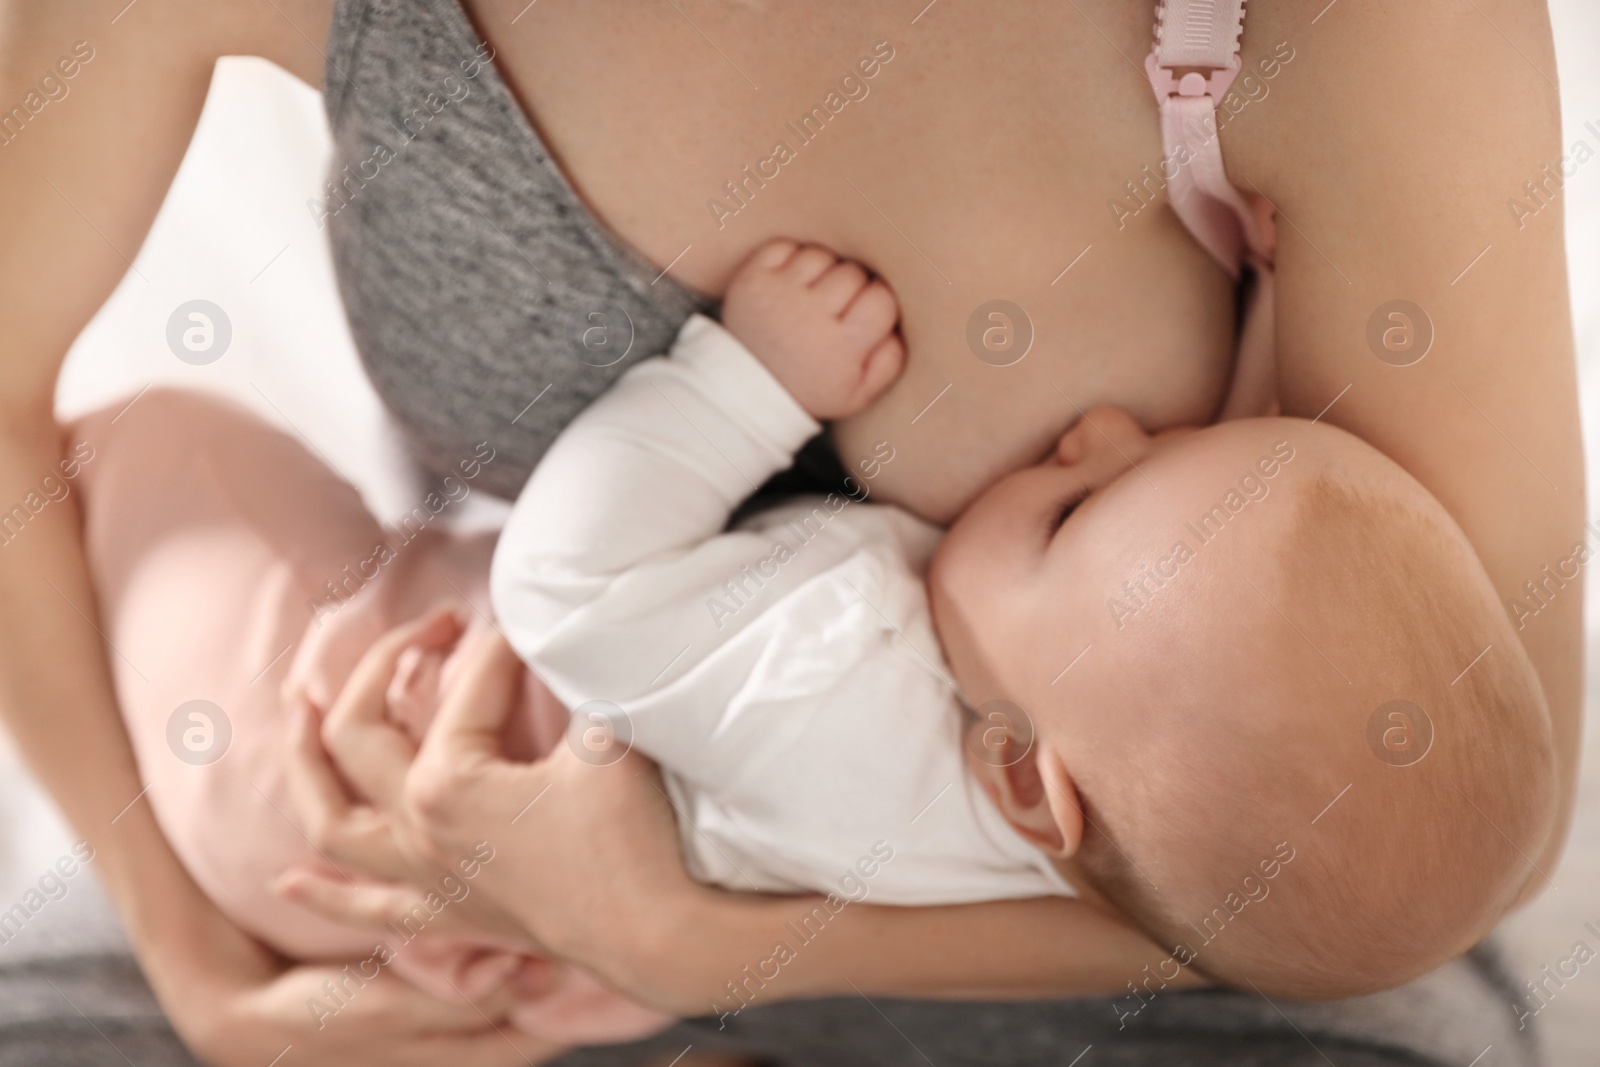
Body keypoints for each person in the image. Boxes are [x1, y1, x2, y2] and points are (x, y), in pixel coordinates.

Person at [0, 0, 1580, 1063]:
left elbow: (1435, 847)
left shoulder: (1319, 34)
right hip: (419, 879)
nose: (1109, 444)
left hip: (1125, 972)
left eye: (1100, 485)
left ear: (1035, 783)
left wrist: (694, 945)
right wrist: (206, 981)